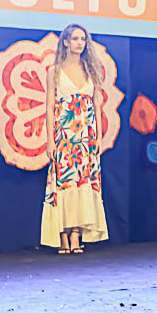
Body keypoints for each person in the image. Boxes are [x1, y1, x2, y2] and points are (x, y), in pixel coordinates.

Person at [41, 24, 109, 254]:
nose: (80, 43)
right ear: (66, 42)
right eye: (75, 38)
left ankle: (76, 233)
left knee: (82, 181)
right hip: (64, 135)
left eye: (83, 39)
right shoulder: (54, 72)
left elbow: (96, 106)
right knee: (64, 182)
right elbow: (50, 107)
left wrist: (98, 136)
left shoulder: (91, 71)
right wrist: (50, 140)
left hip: (86, 137)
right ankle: (62, 234)